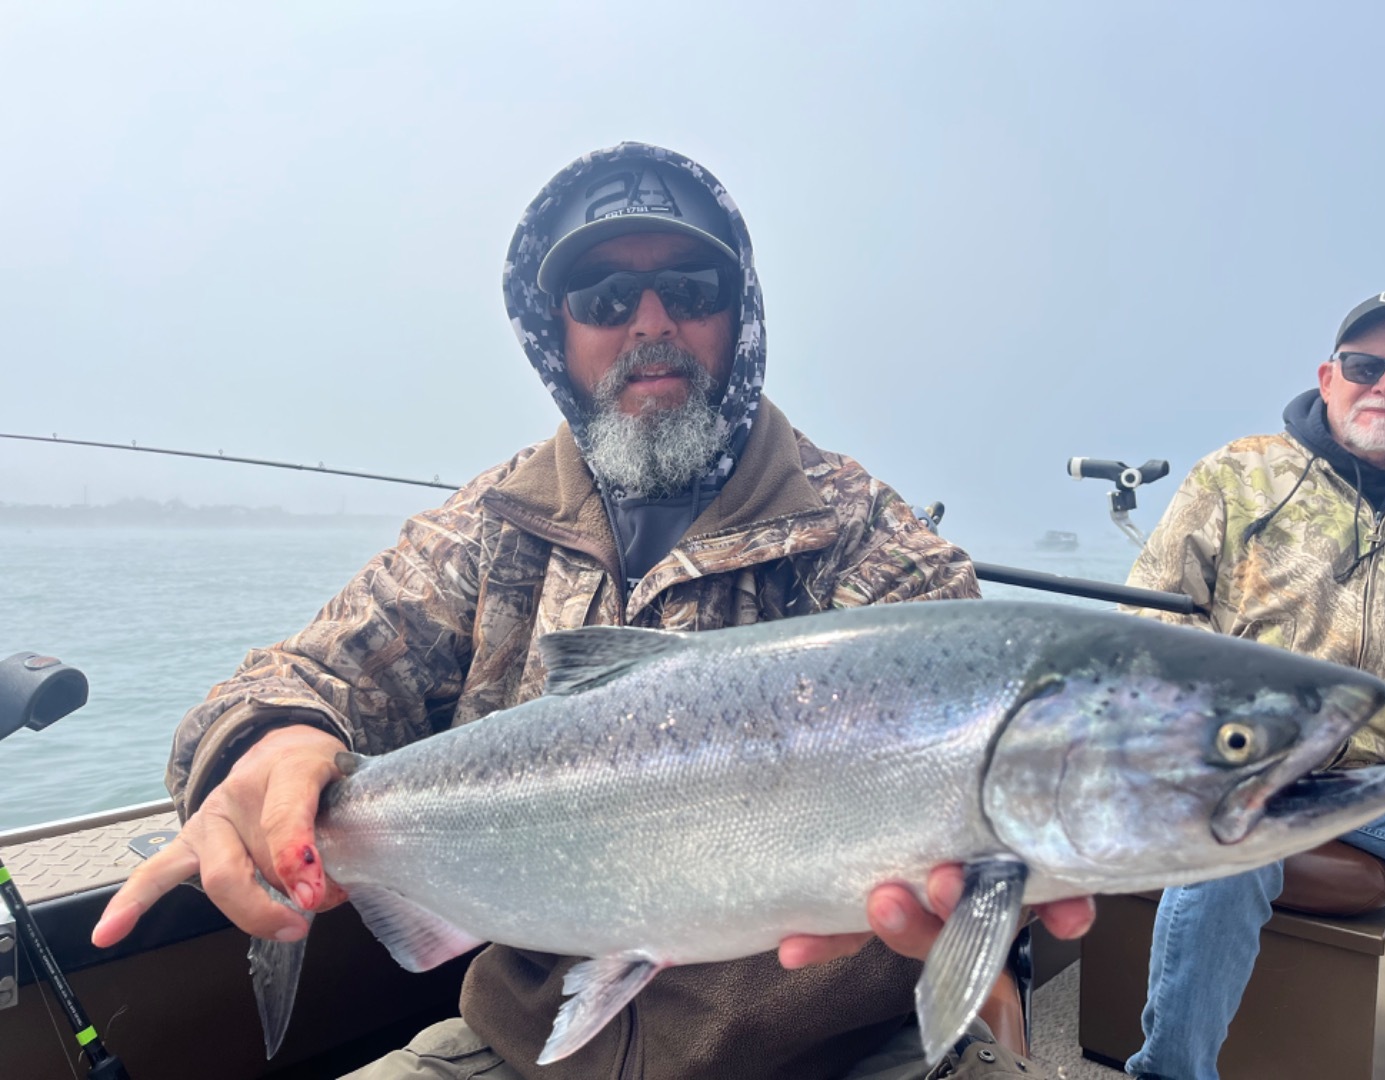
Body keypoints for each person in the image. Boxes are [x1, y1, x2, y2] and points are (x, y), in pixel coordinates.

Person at [89, 142, 1093, 1080]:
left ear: (737, 316)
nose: (650, 322)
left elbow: (979, 784)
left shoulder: (871, 544)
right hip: (534, 1048)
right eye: (605, 295)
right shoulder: (489, 533)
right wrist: (261, 750)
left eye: (689, 290)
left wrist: (990, 920)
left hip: (836, 1055)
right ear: (555, 331)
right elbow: (291, 677)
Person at [1120, 288, 1385, 1080]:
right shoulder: (1238, 474)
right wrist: (1216, 730)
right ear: (1329, 377)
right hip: (1244, 754)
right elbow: (1151, 614)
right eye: (1367, 366)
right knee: (1233, 846)